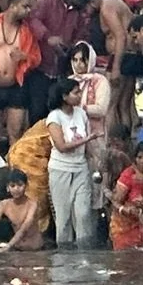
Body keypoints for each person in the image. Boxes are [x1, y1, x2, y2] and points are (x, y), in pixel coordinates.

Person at [43, 76, 97, 249]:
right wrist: (87, 139)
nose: (80, 95)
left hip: (81, 168)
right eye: (76, 92)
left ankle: (85, 255)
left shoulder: (81, 113)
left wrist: (96, 162)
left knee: (83, 213)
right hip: (60, 170)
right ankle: (64, 260)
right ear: (64, 97)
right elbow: (62, 146)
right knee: (63, 217)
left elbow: (88, 147)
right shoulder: (54, 117)